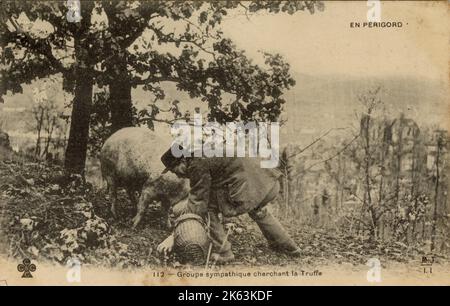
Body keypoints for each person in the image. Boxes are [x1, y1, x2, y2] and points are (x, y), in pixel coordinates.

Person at [157, 144, 301, 263]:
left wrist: (175, 235)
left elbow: (198, 202)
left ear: (182, 161)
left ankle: (223, 253)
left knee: (207, 208)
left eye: (175, 170)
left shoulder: (196, 164)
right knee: (258, 211)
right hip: (267, 185)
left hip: (249, 190)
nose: (177, 175)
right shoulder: (203, 152)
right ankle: (288, 246)